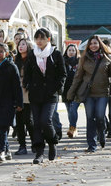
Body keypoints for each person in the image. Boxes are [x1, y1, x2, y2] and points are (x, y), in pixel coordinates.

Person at [23, 28, 66, 164]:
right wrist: (28, 85)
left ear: (48, 39)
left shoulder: (56, 53)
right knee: (36, 123)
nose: (39, 41)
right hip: (35, 94)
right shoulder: (32, 54)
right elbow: (27, 74)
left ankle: (52, 142)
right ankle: (39, 152)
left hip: (50, 94)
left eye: (42, 38)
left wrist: (56, 89)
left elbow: (62, 74)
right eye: (37, 38)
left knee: (46, 121)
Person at [67, 36, 111, 152]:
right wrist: (71, 93)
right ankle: (92, 144)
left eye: (96, 43)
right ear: (88, 46)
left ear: (100, 45)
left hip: (103, 92)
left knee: (100, 116)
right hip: (88, 93)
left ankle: (102, 134)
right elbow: (78, 77)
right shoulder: (84, 59)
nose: (93, 45)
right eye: (91, 43)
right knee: (90, 118)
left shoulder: (106, 58)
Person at [14, 38, 35, 155]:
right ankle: (22, 146)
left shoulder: (32, 59)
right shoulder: (16, 59)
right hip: (18, 92)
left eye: (23, 44)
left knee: (29, 120)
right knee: (19, 121)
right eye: (19, 44)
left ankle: (34, 143)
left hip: (29, 91)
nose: (20, 46)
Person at [62, 44, 81, 138]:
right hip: (65, 90)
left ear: (76, 51)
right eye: (69, 50)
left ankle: (72, 128)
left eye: (73, 50)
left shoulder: (79, 62)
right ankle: (73, 127)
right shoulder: (62, 61)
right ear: (66, 51)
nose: (71, 52)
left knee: (73, 109)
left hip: (76, 90)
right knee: (69, 110)